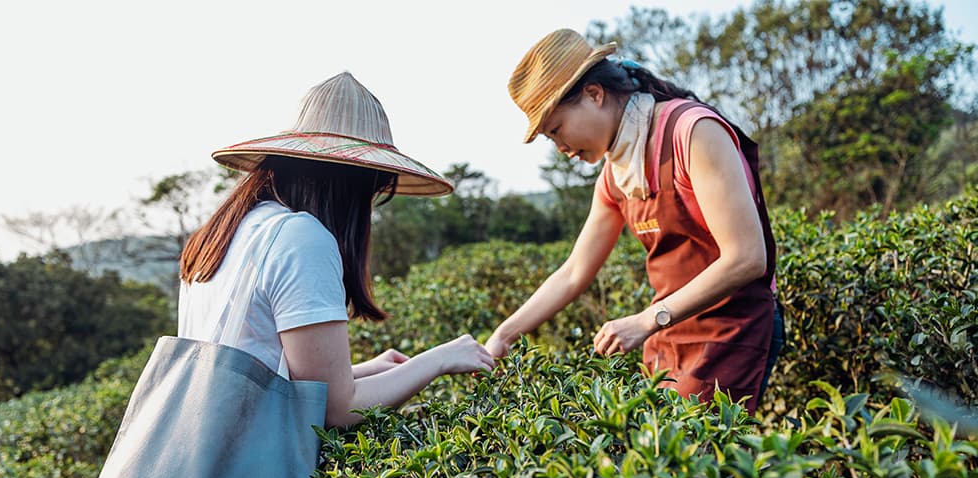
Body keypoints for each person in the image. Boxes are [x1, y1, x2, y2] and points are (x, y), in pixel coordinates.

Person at [485, 29, 786, 414]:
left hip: (734, 328)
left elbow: (746, 257)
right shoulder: (616, 175)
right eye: (550, 139)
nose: (560, 149)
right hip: (671, 333)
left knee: (699, 464)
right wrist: (504, 335)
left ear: (594, 94)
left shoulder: (691, 132)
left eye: (556, 129)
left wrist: (647, 320)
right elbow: (574, 271)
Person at [178, 71, 494, 427]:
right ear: (355, 182)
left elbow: (268, 376)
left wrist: (364, 371)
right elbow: (336, 410)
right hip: (252, 474)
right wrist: (439, 359)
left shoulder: (229, 231)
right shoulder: (301, 237)